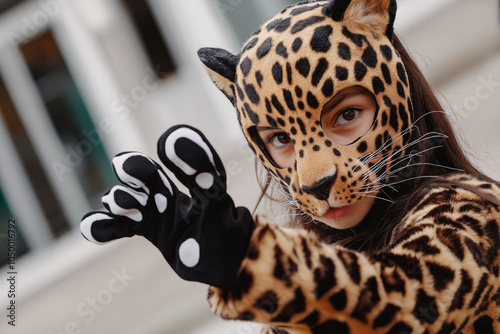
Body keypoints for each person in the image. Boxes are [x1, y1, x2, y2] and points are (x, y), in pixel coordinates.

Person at [81, 0, 500, 333]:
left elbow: (409, 304)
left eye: (345, 115)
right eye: (281, 139)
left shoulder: (468, 212)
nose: (314, 176)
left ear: (394, 94)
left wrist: (250, 259)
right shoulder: (311, 275)